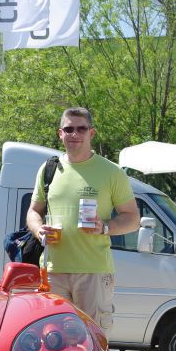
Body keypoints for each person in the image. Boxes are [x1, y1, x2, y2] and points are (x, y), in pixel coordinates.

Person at [26, 107, 140, 333]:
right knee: (51, 341)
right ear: (60, 133)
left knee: (93, 340)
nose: (74, 134)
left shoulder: (111, 172)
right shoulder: (48, 170)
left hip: (93, 272)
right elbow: (33, 212)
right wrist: (39, 231)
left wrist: (105, 227)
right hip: (53, 271)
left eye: (81, 129)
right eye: (68, 129)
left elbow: (133, 219)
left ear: (92, 133)